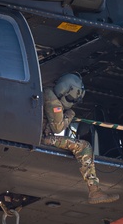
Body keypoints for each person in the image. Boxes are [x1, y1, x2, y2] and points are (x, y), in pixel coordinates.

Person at [41, 73, 119, 204]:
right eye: (71, 99)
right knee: (84, 146)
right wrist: (70, 115)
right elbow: (58, 128)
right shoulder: (54, 104)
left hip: (38, 134)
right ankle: (94, 190)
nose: (71, 102)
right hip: (43, 139)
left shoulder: (47, 91)